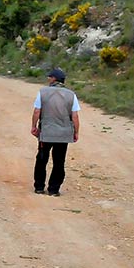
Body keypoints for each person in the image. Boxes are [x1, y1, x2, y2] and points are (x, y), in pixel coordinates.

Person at [31, 67, 79, 196]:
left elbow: (37, 111)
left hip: (46, 132)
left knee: (42, 159)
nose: (48, 79)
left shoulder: (42, 92)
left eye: (50, 77)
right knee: (59, 161)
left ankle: (39, 187)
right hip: (63, 134)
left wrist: (34, 126)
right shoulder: (71, 95)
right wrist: (76, 132)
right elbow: (74, 116)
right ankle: (54, 189)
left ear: (54, 79)